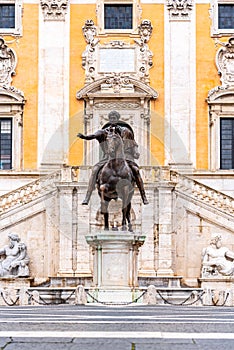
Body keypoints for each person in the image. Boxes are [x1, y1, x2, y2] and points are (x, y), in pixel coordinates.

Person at [77, 110, 149, 205]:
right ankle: (87, 196)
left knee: (135, 170)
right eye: (111, 118)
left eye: (114, 118)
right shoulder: (104, 132)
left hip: (125, 157)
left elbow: (133, 143)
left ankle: (143, 196)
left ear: (118, 119)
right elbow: (94, 135)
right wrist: (85, 137)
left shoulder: (126, 131)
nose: (112, 120)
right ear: (109, 119)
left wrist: (135, 152)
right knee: (95, 170)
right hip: (108, 158)